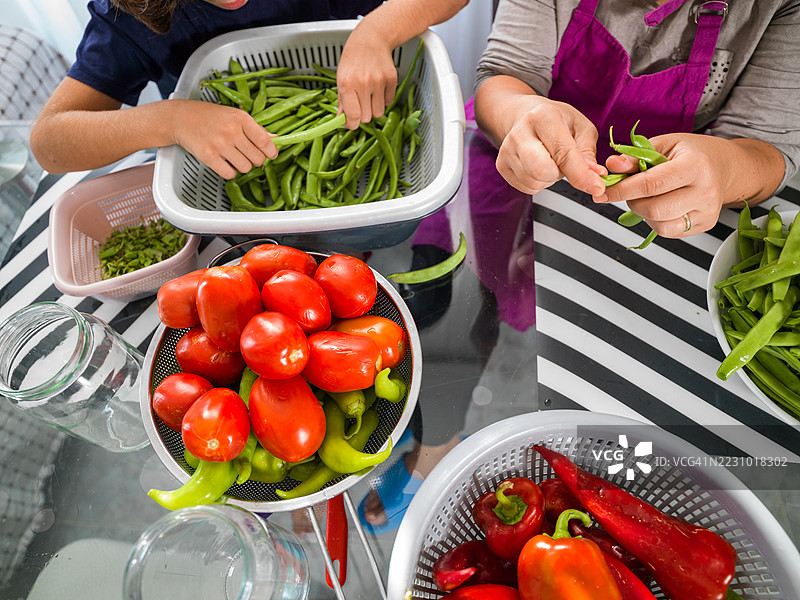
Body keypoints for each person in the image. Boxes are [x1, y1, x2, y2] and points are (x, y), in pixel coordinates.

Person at [29, 0, 468, 179]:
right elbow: (49, 144)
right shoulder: (132, 16)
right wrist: (172, 119)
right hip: (227, 185)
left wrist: (376, 32)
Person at [473, 0, 800, 238]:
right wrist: (520, 113)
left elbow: (771, 147)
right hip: (513, 157)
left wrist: (724, 168)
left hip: (670, 204)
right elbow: (505, 73)